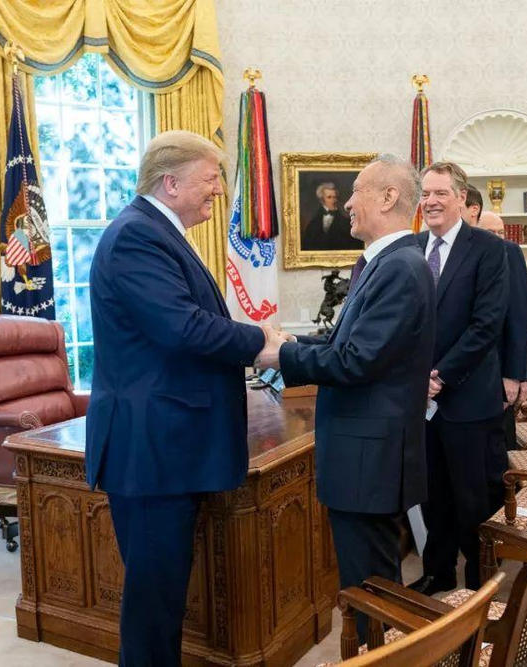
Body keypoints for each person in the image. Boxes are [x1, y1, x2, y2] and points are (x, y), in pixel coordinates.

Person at [85, 130, 283, 666]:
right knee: (154, 605)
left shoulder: (156, 231)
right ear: (170, 183)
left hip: (168, 447)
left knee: (164, 595)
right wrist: (261, 342)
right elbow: (182, 326)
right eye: (211, 178)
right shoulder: (136, 236)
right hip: (151, 450)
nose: (219, 189)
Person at [256, 155, 435, 641]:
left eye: (357, 190)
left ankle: (381, 656)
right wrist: (291, 343)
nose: (349, 202)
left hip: (368, 462)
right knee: (370, 584)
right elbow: (344, 344)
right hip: (365, 457)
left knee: (370, 592)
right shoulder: (386, 264)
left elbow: (354, 363)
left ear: (388, 198)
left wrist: (277, 357)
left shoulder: (400, 268)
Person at [409, 161, 508, 595]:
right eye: (425, 193)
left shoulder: (487, 248)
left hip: (468, 399)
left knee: (473, 500)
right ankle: (438, 572)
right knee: (432, 495)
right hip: (421, 402)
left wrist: (440, 376)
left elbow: (486, 325)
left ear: (462, 199)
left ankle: (479, 587)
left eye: (440, 193)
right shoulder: (412, 247)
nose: (430, 201)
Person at [477, 211, 527, 455]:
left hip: (502, 368)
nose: (498, 238)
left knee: (500, 445)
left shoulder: (511, 252)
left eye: (501, 232)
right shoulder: (468, 255)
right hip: (470, 374)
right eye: (491, 233)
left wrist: (519, 374)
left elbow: (521, 317)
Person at [301, 182, 363, 250]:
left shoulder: (346, 223)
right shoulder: (313, 224)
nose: (333, 201)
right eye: (329, 197)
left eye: (335, 197)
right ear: (322, 200)